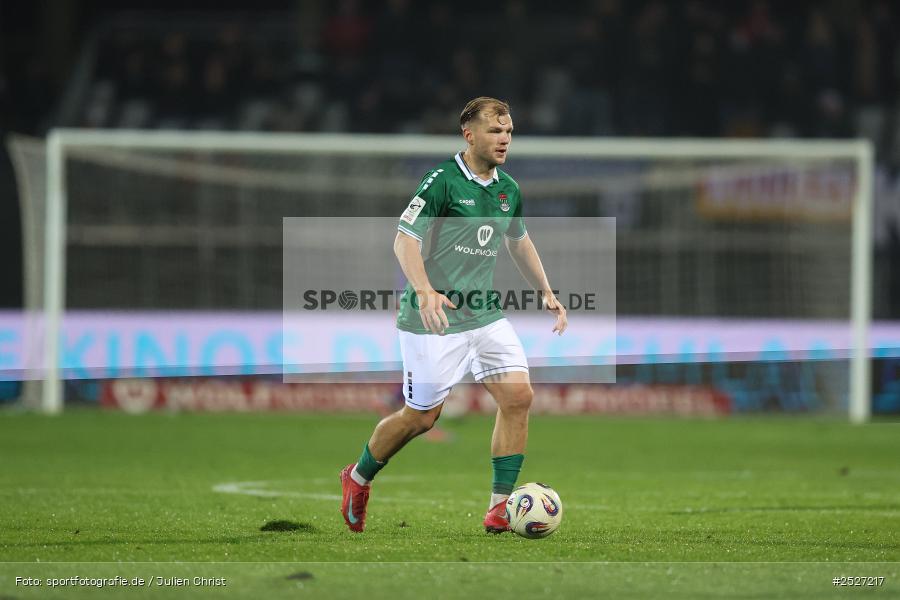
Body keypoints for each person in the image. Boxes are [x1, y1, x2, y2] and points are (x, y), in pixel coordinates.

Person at [339, 97, 567, 533]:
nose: (504, 139)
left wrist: (546, 291)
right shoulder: (441, 181)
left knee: (519, 397)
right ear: (470, 135)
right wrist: (425, 291)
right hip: (433, 317)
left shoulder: (508, 190)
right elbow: (404, 240)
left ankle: (500, 507)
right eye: (495, 131)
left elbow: (518, 240)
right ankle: (357, 477)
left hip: (484, 316)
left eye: (509, 132)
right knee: (422, 417)